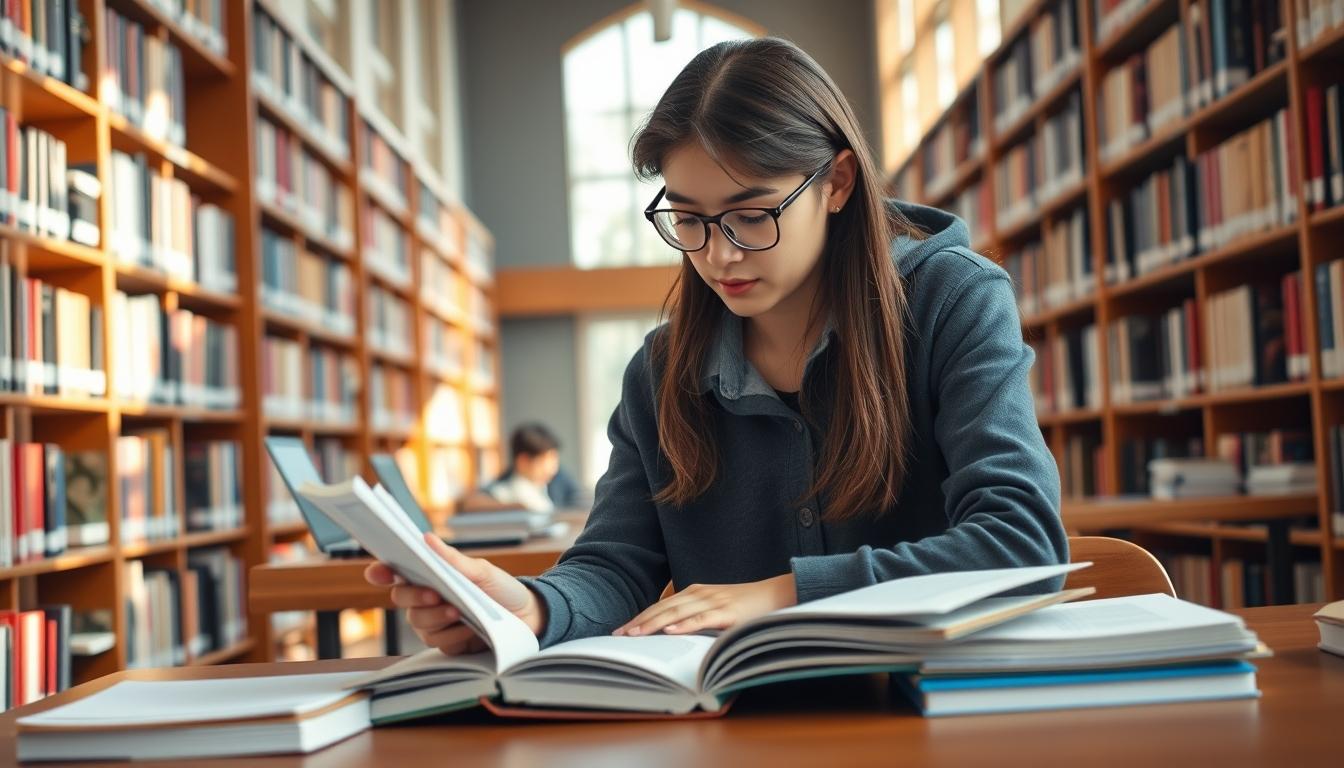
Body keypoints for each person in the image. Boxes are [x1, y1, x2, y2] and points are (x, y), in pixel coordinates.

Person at [367, 37, 1068, 655]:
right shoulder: (661, 371)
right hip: (742, 725)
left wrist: (783, 594)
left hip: (942, 710)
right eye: (689, 219)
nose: (718, 253)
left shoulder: (954, 301)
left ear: (838, 183)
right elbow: (618, 564)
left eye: (751, 215)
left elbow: (1021, 540)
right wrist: (533, 607)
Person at [472, 423, 563, 513]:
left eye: (554, 460)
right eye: (543, 461)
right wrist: (518, 507)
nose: (552, 469)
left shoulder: (548, 485)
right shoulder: (503, 493)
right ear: (523, 461)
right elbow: (471, 503)